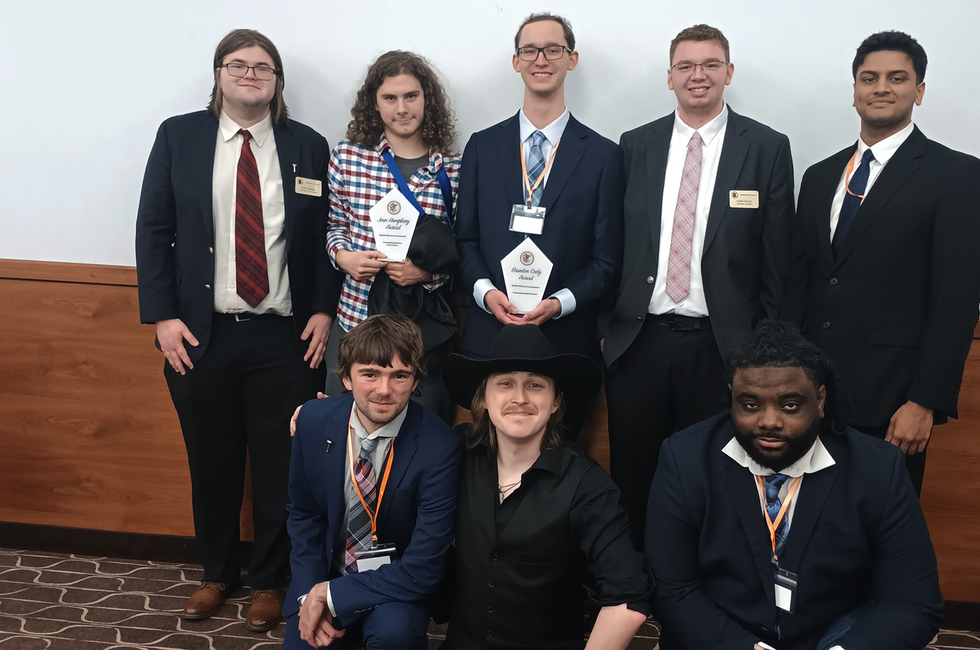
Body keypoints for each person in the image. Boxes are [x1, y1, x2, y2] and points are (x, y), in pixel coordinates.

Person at [135, 28, 341, 631]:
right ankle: (215, 573)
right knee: (212, 459)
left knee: (283, 464)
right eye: (238, 65)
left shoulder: (307, 145)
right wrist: (163, 316)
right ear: (219, 74)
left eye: (263, 67)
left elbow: (324, 241)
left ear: (277, 82)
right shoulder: (180, 136)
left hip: (286, 336)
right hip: (201, 334)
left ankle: (271, 581)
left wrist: (324, 309)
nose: (250, 74)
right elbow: (154, 228)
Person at [602, 24, 795, 547]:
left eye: (710, 64)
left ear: (729, 73)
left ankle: (698, 583)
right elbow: (612, 245)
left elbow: (778, 263)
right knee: (634, 472)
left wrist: (768, 354)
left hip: (722, 347)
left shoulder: (767, 148)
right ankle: (634, 585)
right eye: (686, 66)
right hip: (638, 341)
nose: (698, 75)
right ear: (669, 77)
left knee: (714, 473)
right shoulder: (635, 145)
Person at [646, 320, 943, 650]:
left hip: (833, 636)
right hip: (722, 637)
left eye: (790, 405)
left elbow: (913, 603)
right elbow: (674, 591)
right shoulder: (685, 460)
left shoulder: (876, 468)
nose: (769, 421)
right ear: (731, 398)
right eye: (750, 405)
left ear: (819, 399)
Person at [784, 31, 980, 494]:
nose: (882, 87)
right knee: (797, 527)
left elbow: (957, 300)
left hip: (892, 401)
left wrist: (925, 401)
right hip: (807, 396)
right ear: (855, 91)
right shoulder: (819, 176)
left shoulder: (957, 176)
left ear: (919, 91)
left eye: (897, 78)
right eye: (869, 78)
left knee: (874, 536)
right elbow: (801, 285)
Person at [438, 324, 650, 649]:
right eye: (505, 383)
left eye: (535, 385)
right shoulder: (456, 452)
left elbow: (629, 600)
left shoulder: (588, 486)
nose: (519, 398)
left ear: (555, 402)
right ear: (482, 398)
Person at [455, 12, 624, 366]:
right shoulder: (481, 147)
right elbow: (464, 240)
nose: (541, 60)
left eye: (553, 49)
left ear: (571, 59)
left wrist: (560, 302)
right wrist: (487, 294)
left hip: (565, 342)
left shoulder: (604, 155)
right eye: (530, 51)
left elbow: (605, 259)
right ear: (517, 62)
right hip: (489, 333)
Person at [284, 314, 462, 650]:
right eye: (370, 374)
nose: (384, 390)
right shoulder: (311, 420)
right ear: (347, 377)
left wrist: (331, 595)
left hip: (397, 585)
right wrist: (309, 594)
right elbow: (304, 515)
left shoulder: (441, 447)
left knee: (396, 635)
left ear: (415, 379)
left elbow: (423, 567)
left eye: (399, 376)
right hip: (327, 573)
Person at [324, 51, 461, 423]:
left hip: (420, 332)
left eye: (411, 96)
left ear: (426, 99)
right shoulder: (348, 158)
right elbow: (333, 225)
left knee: (421, 436)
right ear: (375, 103)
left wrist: (427, 274)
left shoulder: (451, 169)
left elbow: (461, 247)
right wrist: (344, 257)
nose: (402, 109)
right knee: (344, 433)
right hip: (355, 319)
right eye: (390, 98)